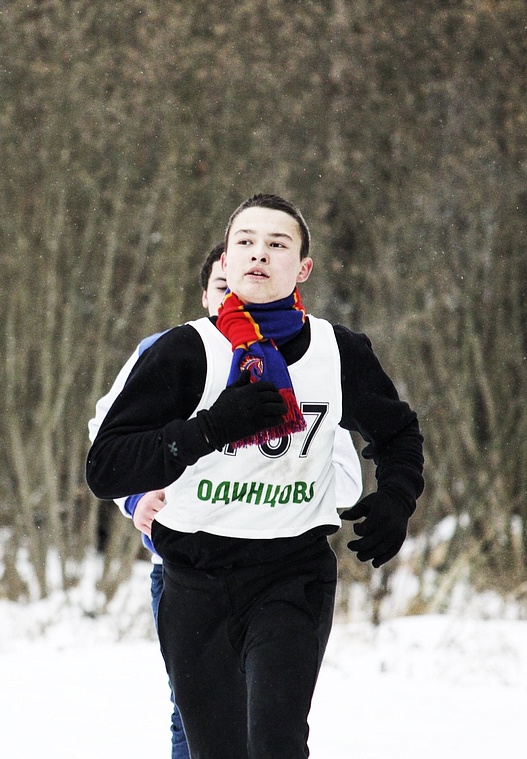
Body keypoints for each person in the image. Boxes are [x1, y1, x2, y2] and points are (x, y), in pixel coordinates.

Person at [86, 194, 424, 759]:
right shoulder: (184, 351)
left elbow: (398, 434)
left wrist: (396, 497)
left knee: (275, 742)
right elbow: (107, 466)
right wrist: (210, 430)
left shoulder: (338, 351)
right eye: (245, 241)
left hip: (291, 573)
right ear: (226, 259)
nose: (258, 254)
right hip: (195, 577)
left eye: (277, 244)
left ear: (303, 268)